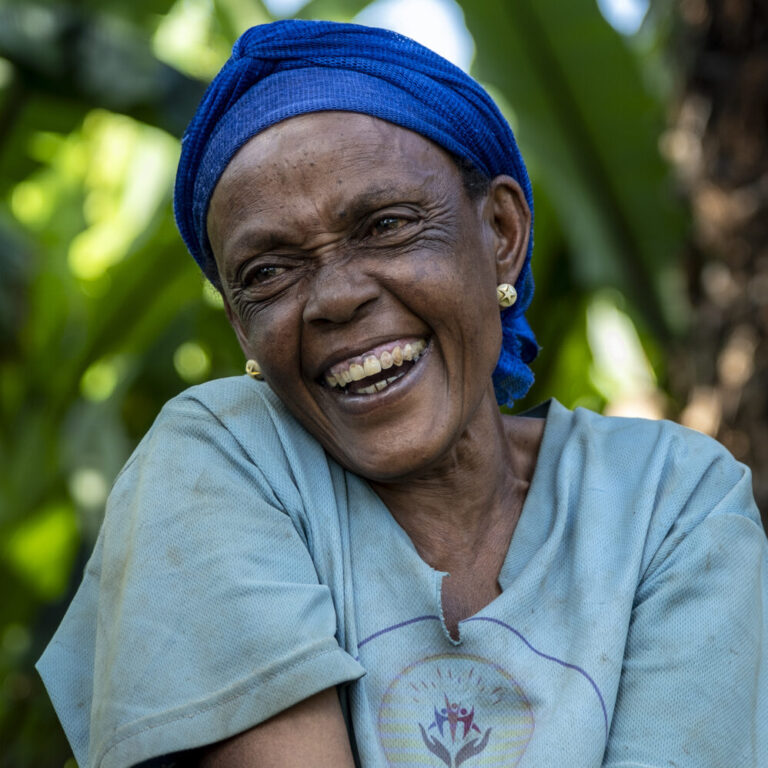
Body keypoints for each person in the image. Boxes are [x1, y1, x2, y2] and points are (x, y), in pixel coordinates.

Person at [38, 19, 767, 768]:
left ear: (501, 233)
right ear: (240, 325)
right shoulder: (219, 457)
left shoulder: (669, 498)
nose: (336, 298)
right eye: (268, 273)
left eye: (386, 225)